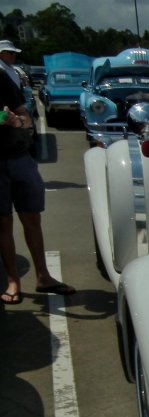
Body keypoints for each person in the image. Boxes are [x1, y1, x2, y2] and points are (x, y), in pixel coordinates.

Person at [0, 70, 74, 304]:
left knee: (32, 217)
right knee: (3, 223)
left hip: (19, 156)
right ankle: (13, 281)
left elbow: (26, 117)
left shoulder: (1, 78)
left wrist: (17, 121)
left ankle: (43, 276)